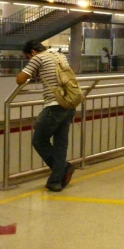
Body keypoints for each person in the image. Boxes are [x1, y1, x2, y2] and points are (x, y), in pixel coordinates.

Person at [17, 39, 79, 191]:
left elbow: (20, 80)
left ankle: (63, 168)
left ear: (32, 52)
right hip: (69, 103)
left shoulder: (38, 58)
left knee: (39, 141)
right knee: (60, 144)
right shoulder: (59, 55)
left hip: (54, 106)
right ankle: (55, 181)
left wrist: (32, 68)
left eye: (28, 57)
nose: (29, 60)